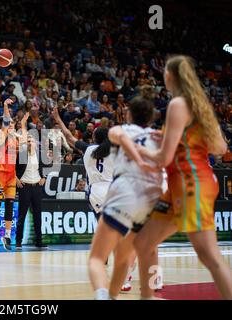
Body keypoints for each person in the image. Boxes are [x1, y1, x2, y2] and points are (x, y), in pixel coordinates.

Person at [134, 55, 232, 299]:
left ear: (170, 75)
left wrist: (139, 149)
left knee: (209, 255)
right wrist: (169, 139)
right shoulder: (199, 105)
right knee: (143, 243)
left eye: (165, 72)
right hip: (185, 184)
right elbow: (220, 148)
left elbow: (164, 158)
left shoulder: (178, 104)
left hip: (191, 184)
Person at [87, 86, 163, 300]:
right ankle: (148, 289)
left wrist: (138, 158)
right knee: (142, 251)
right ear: (150, 118)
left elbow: (121, 135)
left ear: (128, 114)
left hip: (126, 193)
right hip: (154, 197)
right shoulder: (157, 136)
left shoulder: (118, 131)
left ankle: (104, 296)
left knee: (97, 258)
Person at [0, 99, 27, 251]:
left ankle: (7, 235)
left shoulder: (16, 139)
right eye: (9, 124)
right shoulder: (3, 134)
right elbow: (7, 119)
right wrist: (5, 105)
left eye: (13, 125)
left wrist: (24, 123)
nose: (11, 126)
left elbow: (26, 139)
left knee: (10, 206)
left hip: (11, 174)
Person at [15, 133, 47, 250]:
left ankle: (39, 241)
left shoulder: (39, 155)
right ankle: (18, 241)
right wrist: (16, 179)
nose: (29, 143)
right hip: (25, 187)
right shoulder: (22, 154)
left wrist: (44, 177)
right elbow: (12, 168)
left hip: (37, 187)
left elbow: (45, 168)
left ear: (35, 143)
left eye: (31, 141)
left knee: (38, 215)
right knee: (22, 215)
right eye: (28, 141)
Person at [83, 128, 114, 215]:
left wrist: (58, 119)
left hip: (97, 190)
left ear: (95, 137)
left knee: (102, 224)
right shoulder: (114, 151)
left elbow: (69, 137)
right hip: (112, 188)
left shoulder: (88, 149)